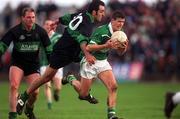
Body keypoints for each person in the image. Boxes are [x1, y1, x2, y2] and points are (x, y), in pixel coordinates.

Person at [16, 0, 105, 114]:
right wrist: (87, 55)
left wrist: (57, 21)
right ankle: (24, 97)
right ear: (94, 12)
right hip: (63, 52)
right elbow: (82, 41)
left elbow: (68, 17)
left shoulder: (81, 14)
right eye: (101, 11)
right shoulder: (88, 24)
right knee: (46, 78)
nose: (103, 14)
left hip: (73, 51)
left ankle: (83, 91)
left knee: (92, 64)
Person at [62, 10, 128, 119]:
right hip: (90, 61)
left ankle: (111, 115)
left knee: (113, 87)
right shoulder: (101, 31)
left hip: (102, 62)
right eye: (119, 21)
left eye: (123, 22)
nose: (121, 24)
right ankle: (70, 78)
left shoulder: (119, 34)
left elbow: (120, 52)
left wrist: (124, 48)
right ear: (112, 21)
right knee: (83, 94)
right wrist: (106, 45)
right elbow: (88, 47)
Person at [0, 8, 51, 119]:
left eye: (33, 17)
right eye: (28, 17)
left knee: (36, 92)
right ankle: (12, 115)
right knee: (14, 86)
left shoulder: (40, 31)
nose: (31, 20)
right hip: (17, 63)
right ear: (22, 18)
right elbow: (3, 45)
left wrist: (53, 63)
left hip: (33, 65)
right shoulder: (15, 31)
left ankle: (29, 108)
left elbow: (49, 49)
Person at [40, 19, 63, 109]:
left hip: (57, 64)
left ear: (54, 26)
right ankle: (49, 103)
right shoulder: (40, 37)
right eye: (46, 24)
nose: (48, 26)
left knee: (58, 87)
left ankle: (56, 92)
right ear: (43, 26)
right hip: (44, 63)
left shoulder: (59, 37)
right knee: (47, 84)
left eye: (50, 24)